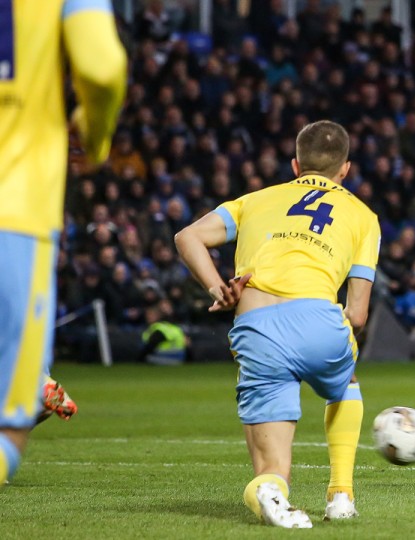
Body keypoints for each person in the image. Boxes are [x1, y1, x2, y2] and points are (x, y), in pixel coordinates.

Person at [175, 121, 379, 527]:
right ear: (346, 169)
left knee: (271, 467)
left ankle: (271, 493)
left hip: (257, 327)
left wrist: (218, 289)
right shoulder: (363, 216)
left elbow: (187, 237)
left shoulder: (256, 200)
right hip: (319, 320)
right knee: (346, 381)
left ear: (295, 165)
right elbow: (357, 315)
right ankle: (340, 494)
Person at [0, 0, 126, 485]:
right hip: (16, 203)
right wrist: (95, 137)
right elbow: (102, 67)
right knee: (10, 425)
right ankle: (37, 385)